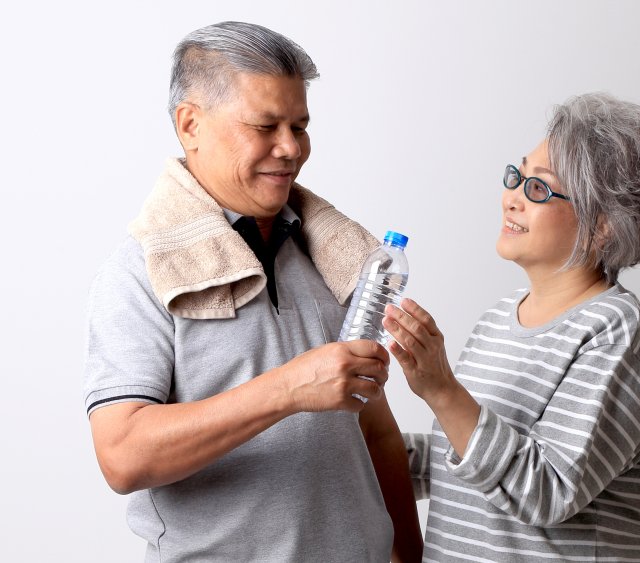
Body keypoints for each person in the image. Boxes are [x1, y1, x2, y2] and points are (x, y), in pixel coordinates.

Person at [83, 21, 422, 562]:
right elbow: (122, 455)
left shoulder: (335, 256)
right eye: (265, 125)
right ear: (190, 124)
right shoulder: (138, 276)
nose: (290, 149)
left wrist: (409, 553)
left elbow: (377, 432)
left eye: (299, 126)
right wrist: (288, 389)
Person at [385, 93, 640, 562]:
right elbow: (470, 461)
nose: (512, 198)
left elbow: (546, 491)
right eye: (517, 176)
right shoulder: (500, 316)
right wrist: (358, 445)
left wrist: (441, 389)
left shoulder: (615, 333)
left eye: (539, 189)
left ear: (602, 226)